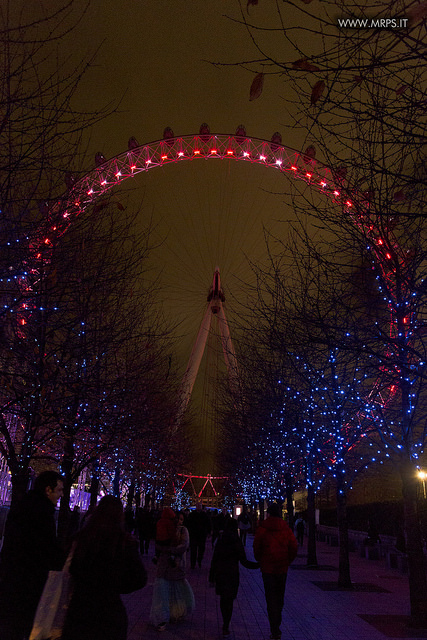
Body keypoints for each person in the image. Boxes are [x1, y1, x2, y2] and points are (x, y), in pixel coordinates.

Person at [62, 495, 147, 640]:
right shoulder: (124, 542)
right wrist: (116, 586)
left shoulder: (80, 539)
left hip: (79, 611)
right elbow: (140, 578)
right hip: (110, 612)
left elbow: (72, 569)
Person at [0, 470, 65, 640]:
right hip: (28, 580)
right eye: (58, 490)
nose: (61, 495)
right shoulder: (42, 512)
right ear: (47, 490)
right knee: (20, 625)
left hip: (13, 577)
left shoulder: (25, 505)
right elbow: (45, 547)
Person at [253, 503, 298, 640]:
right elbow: (293, 546)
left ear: (269, 513)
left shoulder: (263, 528)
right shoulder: (286, 528)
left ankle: (274, 627)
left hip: (267, 568)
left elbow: (257, 547)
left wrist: (261, 559)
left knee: (270, 597)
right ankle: (277, 623)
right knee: (279, 596)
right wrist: (287, 561)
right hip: (281, 568)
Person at [209, 518, 258, 637]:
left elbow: (215, 559)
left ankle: (224, 620)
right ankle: (226, 623)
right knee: (229, 600)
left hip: (221, 573)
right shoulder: (236, 541)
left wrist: (211, 576)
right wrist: (258, 565)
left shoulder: (221, 540)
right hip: (232, 573)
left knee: (223, 598)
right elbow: (243, 560)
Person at [149, 508, 195, 632]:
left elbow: (183, 545)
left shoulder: (182, 530)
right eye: (177, 519)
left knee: (175, 590)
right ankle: (165, 616)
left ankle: (174, 613)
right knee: (166, 591)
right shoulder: (168, 529)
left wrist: (166, 550)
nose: (179, 521)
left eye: (181, 519)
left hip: (174, 566)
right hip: (167, 566)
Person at [186, 501, 211, 569]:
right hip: (194, 535)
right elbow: (189, 524)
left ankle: (199, 559)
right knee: (193, 550)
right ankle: (193, 563)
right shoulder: (193, 514)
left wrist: (208, 532)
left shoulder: (204, 515)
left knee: (201, 549)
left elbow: (208, 524)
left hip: (201, 535)